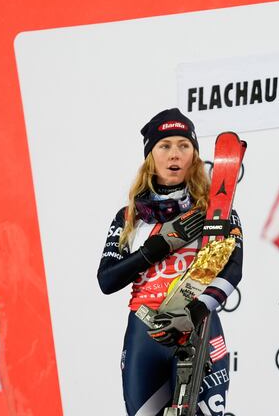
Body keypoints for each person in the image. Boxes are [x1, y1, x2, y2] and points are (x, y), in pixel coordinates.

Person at [98, 108, 243, 416]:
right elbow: (107, 280)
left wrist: (196, 310)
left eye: (183, 145)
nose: (174, 154)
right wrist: (155, 249)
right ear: (151, 155)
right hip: (145, 332)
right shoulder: (129, 218)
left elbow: (234, 268)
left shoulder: (217, 208)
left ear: (194, 154)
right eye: (165, 146)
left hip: (198, 325)